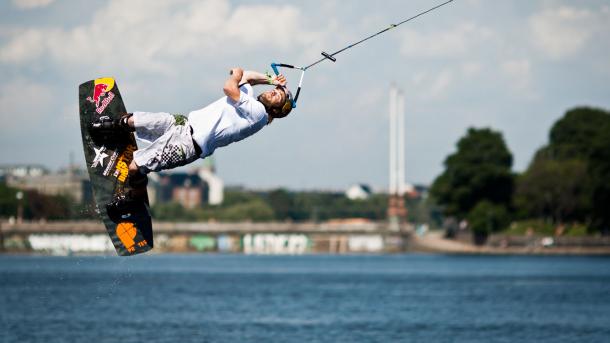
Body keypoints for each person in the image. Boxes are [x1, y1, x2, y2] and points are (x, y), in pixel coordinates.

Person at [89, 67, 293, 213]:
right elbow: (245, 76)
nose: (273, 92)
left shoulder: (258, 114)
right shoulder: (249, 98)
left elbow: (230, 86)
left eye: (277, 97)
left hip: (188, 145)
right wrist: (270, 78)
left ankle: (134, 198)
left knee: (134, 167)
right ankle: (113, 127)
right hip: (183, 123)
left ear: (275, 110)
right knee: (134, 120)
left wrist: (239, 74)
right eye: (275, 90)